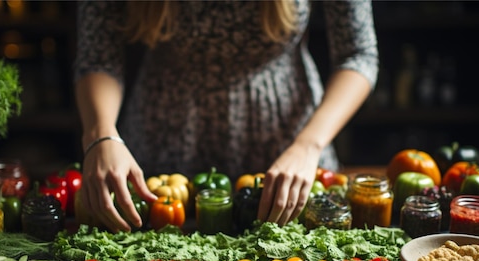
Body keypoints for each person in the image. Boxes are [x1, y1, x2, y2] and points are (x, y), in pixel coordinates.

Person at [74, 0, 379, 233]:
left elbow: (359, 53)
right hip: (164, 138)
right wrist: (101, 133)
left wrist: (308, 146)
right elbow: (98, 57)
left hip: (293, 141)